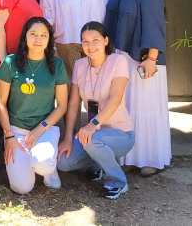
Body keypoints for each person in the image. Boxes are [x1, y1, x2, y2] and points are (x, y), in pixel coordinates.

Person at [103, 0, 171, 177]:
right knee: (127, 110)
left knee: (146, 110)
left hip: (143, 60)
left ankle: (150, 158)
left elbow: (155, 24)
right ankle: (130, 157)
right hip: (122, 57)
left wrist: (151, 58)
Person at [57, 22, 135, 200]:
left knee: (92, 139)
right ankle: (97, 165)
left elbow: (115, 100)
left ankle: (118, 181)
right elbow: (73, 104)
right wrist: (68, 137)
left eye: (95, 40)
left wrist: (92, 125)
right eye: (85, 42)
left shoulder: (118, 61)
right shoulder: (80, 65)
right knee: (63, 162)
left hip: (121, 134)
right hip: (92, 136)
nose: (90, 46)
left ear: (106, 40)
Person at [0, 17, 69, 194]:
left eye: (44, 35)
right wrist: (8, 136)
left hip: (45, 129)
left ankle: (48, 170)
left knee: (42, 164)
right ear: (25, 37)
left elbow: (62, 105)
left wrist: (39, 130)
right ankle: (30, 162)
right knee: (21, 188)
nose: (38, 39)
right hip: (16, 131)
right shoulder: (10, 63)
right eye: (33, 34)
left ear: (49, 40)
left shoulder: (57, 65)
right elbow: (1, 103)